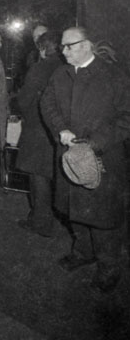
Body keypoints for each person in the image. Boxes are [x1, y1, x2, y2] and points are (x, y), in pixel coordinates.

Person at [40, 26, 130, 293]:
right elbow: (47, 104)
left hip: (103, 159)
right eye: (62, 46)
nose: (64, 51)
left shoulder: (113, 76)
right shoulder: (60, 73)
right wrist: (60, 129)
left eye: (70, 45)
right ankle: (83, 252)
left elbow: (127, 117)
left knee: (103, 219)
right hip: (70, 158)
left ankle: (108, 266)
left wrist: (95, 143)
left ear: (88, 45)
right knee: (74, 211)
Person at [16, 30, 63, 237]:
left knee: (38, 178)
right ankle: (49, 217)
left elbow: (23, 101)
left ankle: (40, 223)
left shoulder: (39, 68)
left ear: (42, 49)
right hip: (57, 130)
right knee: (51, 176)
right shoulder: (64, 67)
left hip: (37, 130)